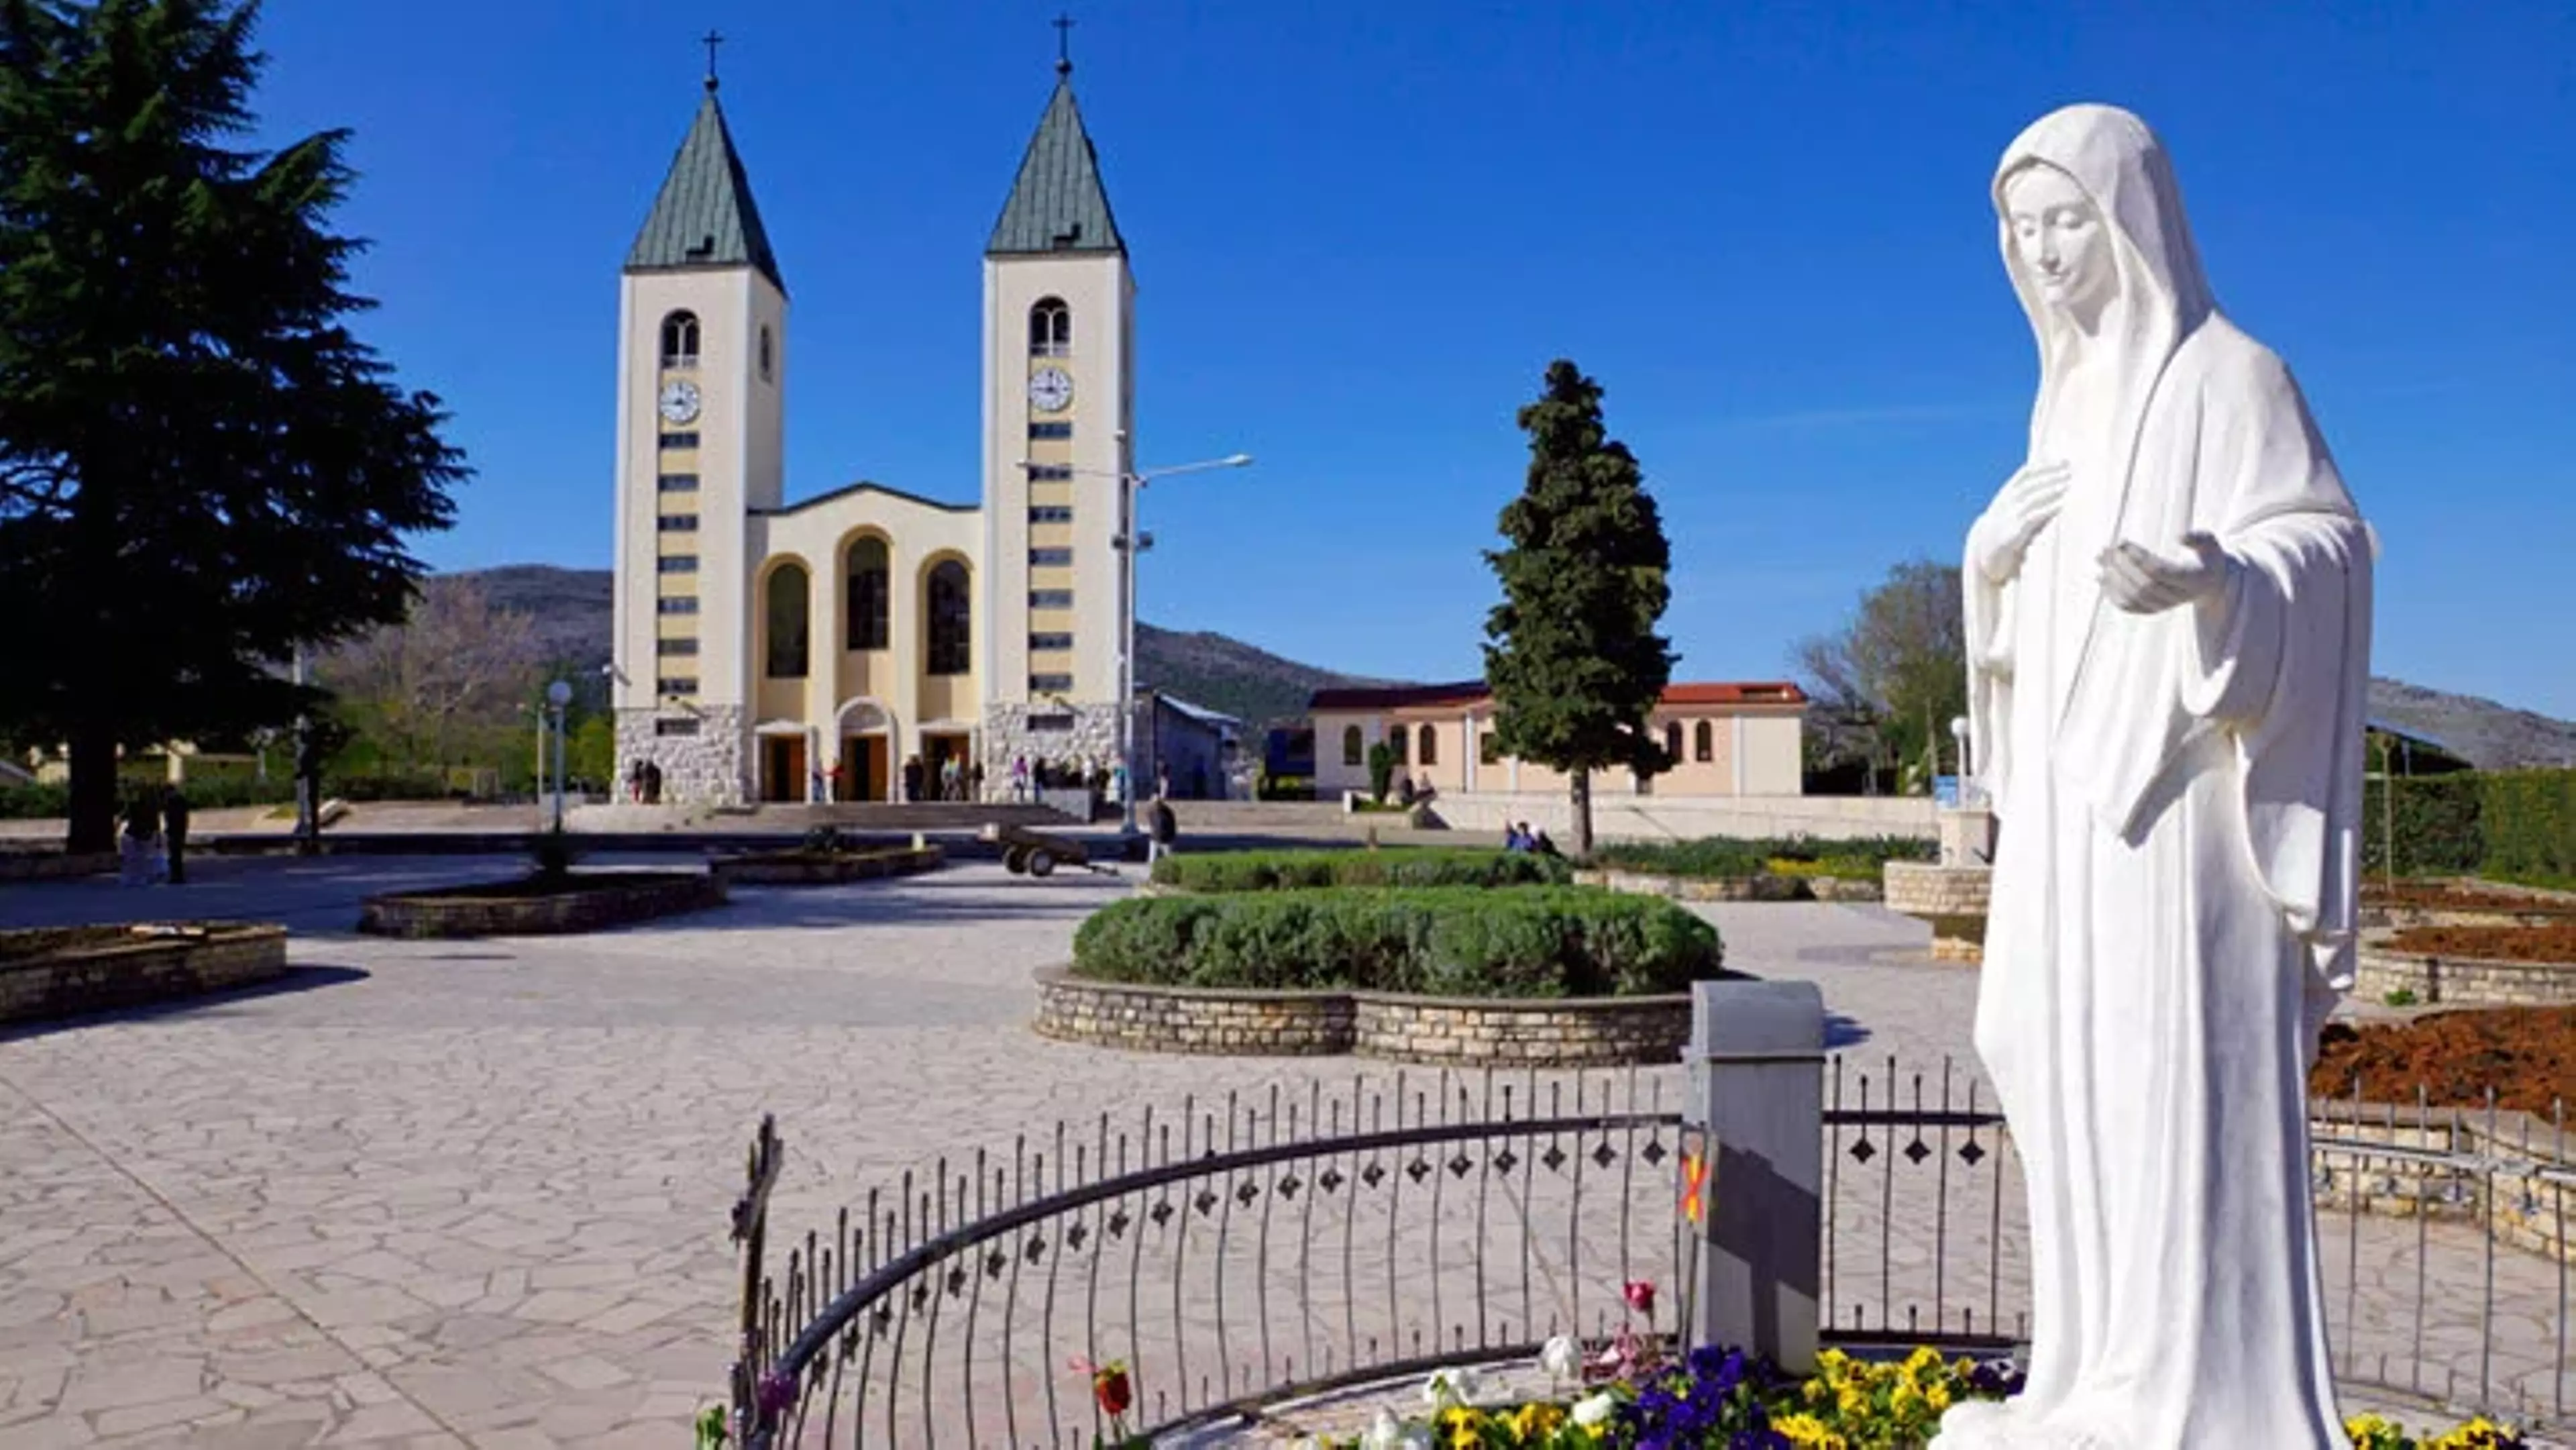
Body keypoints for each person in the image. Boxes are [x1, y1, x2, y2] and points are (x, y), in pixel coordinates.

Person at [1939, 105, 2370, 1450]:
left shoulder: (2236, 376)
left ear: (2131, 218)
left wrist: (2225, 581)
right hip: (2072, 818)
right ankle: (2090, 1376)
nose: (2045, 251)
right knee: (2054, 1056)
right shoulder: (2059, 397)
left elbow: (2332, 545)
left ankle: (2196, 1396)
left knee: (2166, 1078)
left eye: (2066, 218)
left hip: (2185, 806)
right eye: (2022, 229)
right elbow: (2030, 632)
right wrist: (1984, 567)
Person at [119, 794, 159, 886]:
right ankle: (141, 877)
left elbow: (122, 817)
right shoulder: (151, 810)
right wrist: (156, 836)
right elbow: (155, 825)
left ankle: (128, 877)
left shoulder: (133, 807)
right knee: (142, 858)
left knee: (130, 858)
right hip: (145, 834)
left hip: (132, 833)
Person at [160, 783, 191, 885]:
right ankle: (178, 875)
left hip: (174, 830)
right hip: (179, 830)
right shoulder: (181, 801)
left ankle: (176, 875)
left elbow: (170, 817)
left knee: (174, 854)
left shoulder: (171, 802)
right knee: (177, 853)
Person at [1148, 792, 1177, 864]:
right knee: (1152, 860)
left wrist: (1171, 836)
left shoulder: (1167, 812)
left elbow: (1172, 824)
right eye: (1155, 803)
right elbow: (1152, 823)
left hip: (1165, 838)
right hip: (1155, 837)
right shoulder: (1152, 811)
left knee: (1169, 859)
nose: (1156, 805)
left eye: (1158, 803)